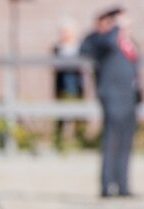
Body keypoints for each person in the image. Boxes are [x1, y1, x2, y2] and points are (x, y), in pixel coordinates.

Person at [81, 7, 141, 198]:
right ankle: (107, 185)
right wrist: (115, 28)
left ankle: (123, 184)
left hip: (129, 98)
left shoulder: (129, 43)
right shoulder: (102, 40)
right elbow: (92, 48)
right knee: (111, 141)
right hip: (112, 97)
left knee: (126, 143)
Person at [53, 19, 87, 150]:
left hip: (76, 84)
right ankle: (59, 141)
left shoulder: (79, 48)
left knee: (79, 114)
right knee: (61, 115)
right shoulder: (57, 48)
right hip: (62, 85)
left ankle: (80, 140)